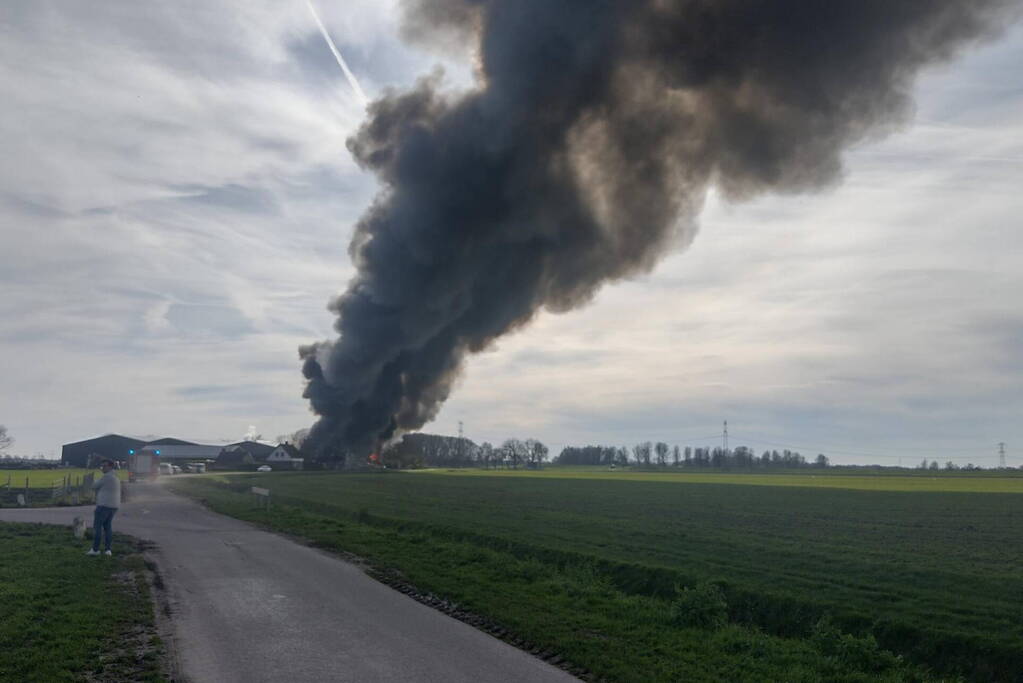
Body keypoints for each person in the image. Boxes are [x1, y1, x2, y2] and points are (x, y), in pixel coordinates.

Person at [87, 459, 121, 556]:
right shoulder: (115, 476)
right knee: (108, 527)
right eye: (102, 466)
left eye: (104, 466)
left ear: (110, 467)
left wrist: (93, 480)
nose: (102, 468)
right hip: (114, 506)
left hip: (103, 505)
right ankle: (107, 550)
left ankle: (95, 549)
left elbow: (94, 486)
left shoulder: (107, 477)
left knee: (97, 527)